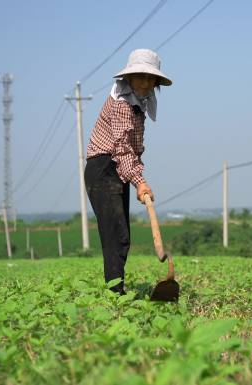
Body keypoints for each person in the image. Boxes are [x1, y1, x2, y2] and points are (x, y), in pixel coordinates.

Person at [84, 49, 172, 295]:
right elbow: (122, 149)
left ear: (156, 81)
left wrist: (136, 182)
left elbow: (133, 149)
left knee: (122, 234)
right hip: (103, 168)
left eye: (149, 78)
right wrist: (139, 181)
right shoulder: (122, 104)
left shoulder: (138, 104)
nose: (145, 82)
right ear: (129, 78)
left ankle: (116, 288)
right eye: (139, 76)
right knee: (115, 235)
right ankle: (115, 293)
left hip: (117, 168)